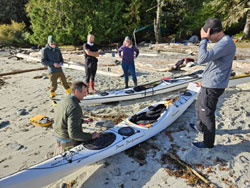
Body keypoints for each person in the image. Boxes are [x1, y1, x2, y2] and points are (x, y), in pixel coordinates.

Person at [190, 18, 236, 148]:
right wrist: (203, 81)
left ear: (215, 32)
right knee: (199, 106)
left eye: (209, 36)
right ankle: (200, 127)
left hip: (214, 85)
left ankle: (208, 142)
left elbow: (202, 59)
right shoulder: (222, 42)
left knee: (207, 113)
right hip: (209, 82)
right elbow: (212, 63)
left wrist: (203, 40)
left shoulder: (226, 43)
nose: (209, 39)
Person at [53, 81, 100, 155]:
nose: (86, 94)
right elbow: (74, 134)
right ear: (77, 92)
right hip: (67, 140)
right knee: (95, 139)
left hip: (58, 135)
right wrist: (91, 136)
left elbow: (65, 118)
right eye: (84, 92)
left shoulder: (64, 100)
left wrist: (82, 121)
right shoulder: (75, 107)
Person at [41, 35, 71, 106]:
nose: (54, 45)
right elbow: (43, 61)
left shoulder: (57, 49)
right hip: (52, 71)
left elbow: (61, 59)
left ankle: (70, 95)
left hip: (60, 69)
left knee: (65, 83)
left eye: (55, 44)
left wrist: (61, 62)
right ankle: (53, 99)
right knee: (53, 86)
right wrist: (53, 64)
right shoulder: (45, 50)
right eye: (52, 44)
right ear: (48, 43)